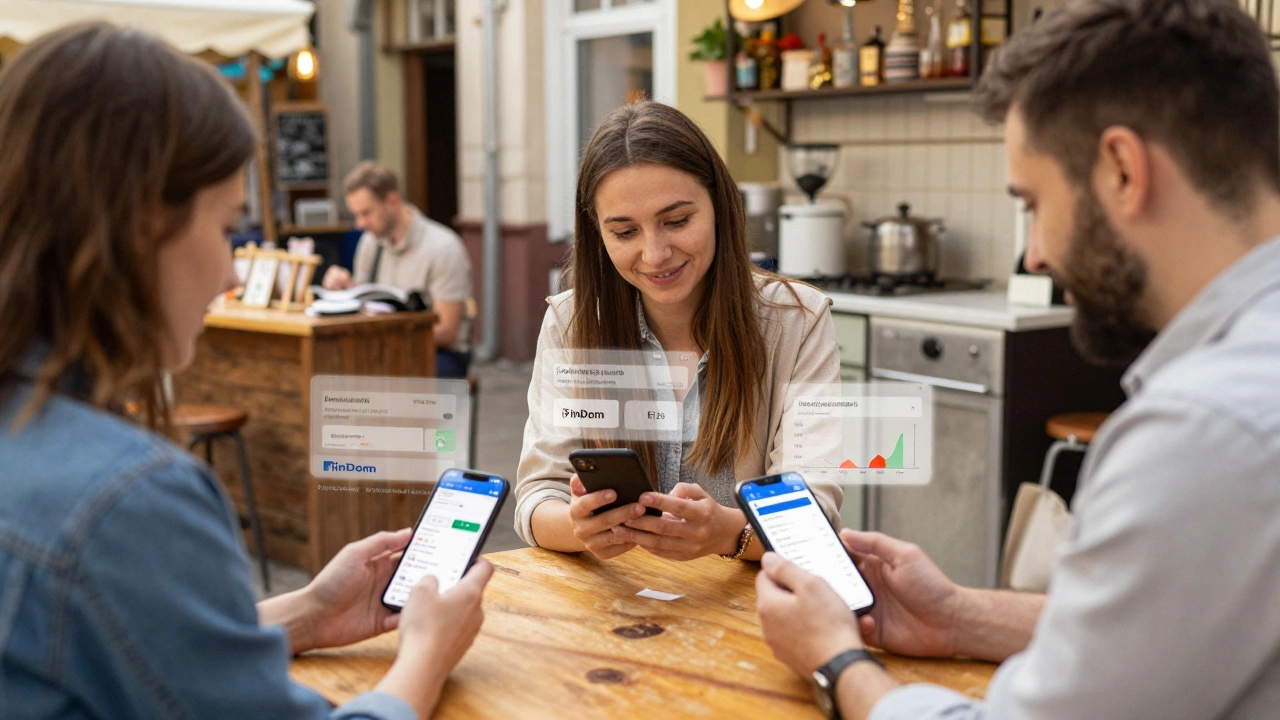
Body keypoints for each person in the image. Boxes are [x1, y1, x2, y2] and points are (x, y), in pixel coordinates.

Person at [755, 0, 1280, 717]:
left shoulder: (1202, 432)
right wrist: (961, 616)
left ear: (1123, 170)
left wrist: (836, 660)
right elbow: (1162, 633)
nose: (1035, 254)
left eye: (1033, 204)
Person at [0, 23, 491, 719]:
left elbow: (123, 643)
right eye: (229, 227)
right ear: (140, 224)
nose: (233, 274)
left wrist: (310, 612)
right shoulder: (127, 501)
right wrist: (427, 654)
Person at [514, 101, 844, 563]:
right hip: (619, 598)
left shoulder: (798, 321)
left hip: (751, 599)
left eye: (677, 221)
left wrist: (729, 533)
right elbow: (537, 498)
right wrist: (580, 525)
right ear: (598, 235)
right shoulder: (572, 323)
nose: (655, 254)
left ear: (719, 207)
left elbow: (813, 512)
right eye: (625, 232)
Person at [322, 162, 474, 378]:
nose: (360, 223)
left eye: (366, 213)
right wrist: (347, 290)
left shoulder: (443, 247)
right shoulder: (370, 243)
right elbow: (366, 304)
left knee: (383, 379)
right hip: (385, 346)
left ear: (392, 201)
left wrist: (385, 339)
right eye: (356, 215)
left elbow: (446, 332)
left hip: (439, 353)